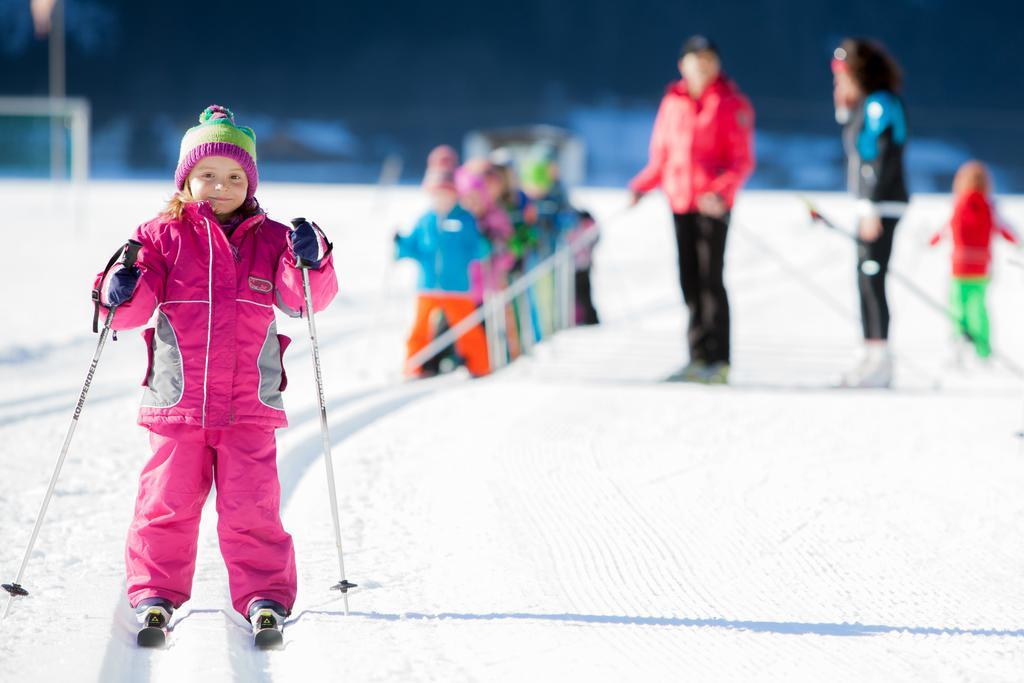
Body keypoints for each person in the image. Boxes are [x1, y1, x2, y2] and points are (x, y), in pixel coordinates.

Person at [92, 105, 338, 637]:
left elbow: (304, 303)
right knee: (166, 505)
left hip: (248, 405)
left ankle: (265, 593)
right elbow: (131, 311)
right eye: (208, 175)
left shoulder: (271, 239)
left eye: (234, 177)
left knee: (253, 508)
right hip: (177, 404)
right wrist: (121, 284)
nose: (220, 186)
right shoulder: (161, 236)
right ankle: (155, 588)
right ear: (186, 179)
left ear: (249, 184)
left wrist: (310, 263)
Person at [629, 35, 755, 384]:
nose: (702, 66)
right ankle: (697, 355)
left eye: (708, 60)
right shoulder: (673, 102)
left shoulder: (731, 103)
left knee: (711, 278)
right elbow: (662, 155)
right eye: (695, 60)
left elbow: (741, 160)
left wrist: (720, 191)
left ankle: (719, 359)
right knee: (688, 279)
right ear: (682, 65)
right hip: (679, 200)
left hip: (712, 205)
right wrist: (642, 185)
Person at [831, 38, 909, 388]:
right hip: (870, 205)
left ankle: (880, 357)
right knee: (864, 277)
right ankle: (869, 350)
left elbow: (880, 156)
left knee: (873, 277)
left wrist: (871, 206)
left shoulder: (880, 104)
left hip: (882, 204)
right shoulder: (868, 105)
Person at [396, 153, 491, 378]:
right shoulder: (426, 219)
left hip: (457, 287)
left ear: (454, 194)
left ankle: (480, 366)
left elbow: (477, 248)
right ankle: (413, 366)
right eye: (436, 194)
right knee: (420, 330)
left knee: (467, 329)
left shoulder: (464, 219)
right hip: (428, 286)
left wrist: (484, 245)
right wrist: (400, 244)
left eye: (445, 193)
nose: (441, 198)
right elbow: (414, 247)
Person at [928, 160, 1019, 362]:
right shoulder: (990, 207)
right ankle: (983, 348)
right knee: (978, 307)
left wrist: (930, 242)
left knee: (957, 306)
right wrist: (1018, 244)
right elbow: (1007, 231)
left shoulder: (958, 205)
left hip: (959, 266)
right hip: (981, 268)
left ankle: (958, 342)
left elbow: (942, 230)